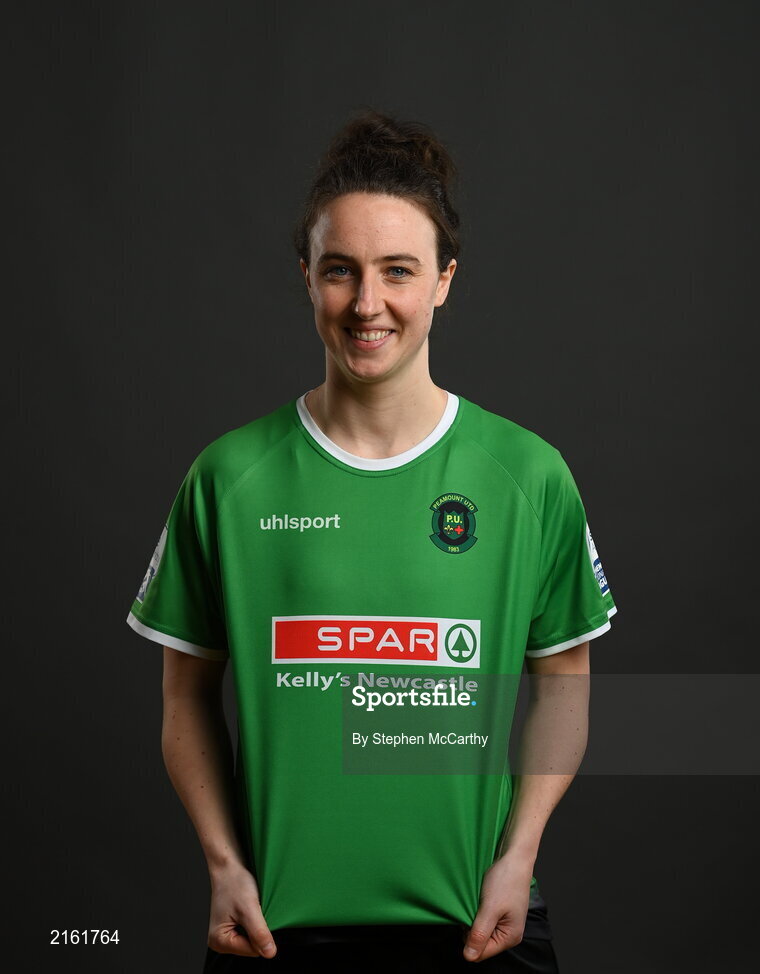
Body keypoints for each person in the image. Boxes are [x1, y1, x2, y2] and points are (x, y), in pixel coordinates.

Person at [126, 109, 618, 972]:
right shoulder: (228, 476)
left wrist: (520, 859)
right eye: (340, 271)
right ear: (306, 277)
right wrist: (221, 864)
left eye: (398, 271)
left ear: (443, 281)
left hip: (479, 927)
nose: (367, 304)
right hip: (278, 933)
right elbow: (184, 700)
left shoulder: (527, 475)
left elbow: (564, 690)